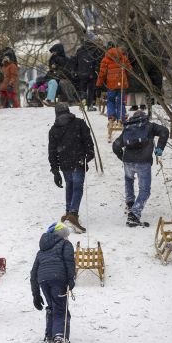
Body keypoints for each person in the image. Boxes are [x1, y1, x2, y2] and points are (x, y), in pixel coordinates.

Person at [112, 110, 169, 226]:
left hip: (128, 162)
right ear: (144, 118)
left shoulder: (128, 128)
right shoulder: (149, 126)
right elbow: (165, 131)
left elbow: (116, 144)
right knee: (145, 190)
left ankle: (130, 203)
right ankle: (134, 214)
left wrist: (121, 156)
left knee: (129, 180)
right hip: (143, 162)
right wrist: (160, 148)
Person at [30, 222, 76, 343]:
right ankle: (60, 337)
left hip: (43, 280)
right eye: (66, 235)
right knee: (60, 308)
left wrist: (36, 294)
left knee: (51, 307)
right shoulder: (65, 245)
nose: (67, 238)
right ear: (61, 235)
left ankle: (50, 337)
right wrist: (70, 279)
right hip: (58, 279)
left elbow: (33, 273)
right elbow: (69, 262)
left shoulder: (42, 250)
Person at [48, 103, 94, 232]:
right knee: (77, 186)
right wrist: (87, 156)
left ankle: (69, 211)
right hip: (77, 160)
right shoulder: (79, 123)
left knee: (71, 185)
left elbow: (52, 152)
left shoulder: (54, 129)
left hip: (65, 162)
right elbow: (88, 142)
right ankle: (72, 213)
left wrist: (55, 170)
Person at [96, 44, 131, 123]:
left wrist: (99, 83)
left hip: (111, 84)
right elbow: (129, 70)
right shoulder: (124, 58)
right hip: (122, 83)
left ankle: (111, 116)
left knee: (110, 100)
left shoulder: (106, 59)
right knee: (121, 101)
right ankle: (121, 117)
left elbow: (102, 73)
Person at [74, 33, 103, 111]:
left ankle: (82, 102)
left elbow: (76, 62)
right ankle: (90, 105)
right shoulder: (95, 49)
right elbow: (97, 61)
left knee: (83, 89)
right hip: (91, 73)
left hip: (81, 73)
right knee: (91, 89)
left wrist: (77, 71)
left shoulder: (79, 49)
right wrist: (97, 70)